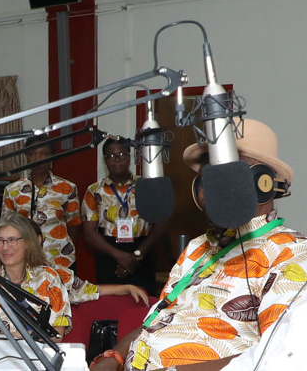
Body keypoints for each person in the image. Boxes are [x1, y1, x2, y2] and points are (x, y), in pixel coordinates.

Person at [90, 119, 307, 371]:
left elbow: (275, 357)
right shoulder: (199, 247)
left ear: (263, 184)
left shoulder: (292, 253)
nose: (207, 193)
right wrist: (113, 357)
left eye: (221, 179)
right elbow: (162, 318)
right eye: (204, 181)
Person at [0, 212, 148, 339]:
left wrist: (126, 287)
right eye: (0, 241)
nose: (5, 247)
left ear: (28, 244)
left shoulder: (49, 279)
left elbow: (57, 333)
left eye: (12, 240)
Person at [81, 137, 165, 295]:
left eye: (121, 154)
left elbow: (160, 225)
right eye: (111, 155)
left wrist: (137, 255)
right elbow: (89, 233)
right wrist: (119, 256)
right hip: (108, 253)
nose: (117, 159)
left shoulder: (146, 186)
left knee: (144, 301)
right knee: (111, 303)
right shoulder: (94, 191)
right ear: (105, 160)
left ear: (129, 157)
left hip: (142, 251)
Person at [2, 134, 82, 268]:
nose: (37, 159)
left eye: (43, 154)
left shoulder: (67, 188)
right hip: (24, 261)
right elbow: (7, 227)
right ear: (26, 157)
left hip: (61, 261)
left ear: (52, 157)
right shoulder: (12, 190)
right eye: (31, 154)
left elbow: (74, 225)